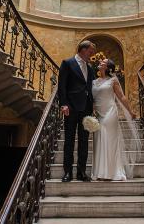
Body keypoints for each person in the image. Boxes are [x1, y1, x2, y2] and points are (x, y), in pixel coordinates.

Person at [91, 58, 141, 181]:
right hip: (98, 114)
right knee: (99, 140)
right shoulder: (93, 81)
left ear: (108, 67)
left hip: (110, 112)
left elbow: (122, 97)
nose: (100, 62)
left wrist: (130, 111)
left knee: (109, 140)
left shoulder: (113, 80)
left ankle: (112, 172)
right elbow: (92, 98)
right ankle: (100, 172)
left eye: (103, 62)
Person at [57, 40, 96, 182]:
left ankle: (81, 172)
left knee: (84, 141)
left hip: (86, 108)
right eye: (91, 51)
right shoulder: (67, 63)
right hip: (71, 107)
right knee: (69, 140)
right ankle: (67, 172)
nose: (92, 54)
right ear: (83, 49)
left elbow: (91, 88)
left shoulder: (90, 68)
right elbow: (62, 86)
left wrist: (93, 105)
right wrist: (64, 104)